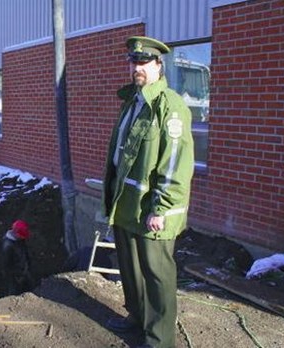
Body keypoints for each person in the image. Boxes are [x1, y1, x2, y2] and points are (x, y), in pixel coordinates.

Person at [102, 36, 194, 348]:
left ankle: (159, 339)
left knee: (157, 274)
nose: (136, 67)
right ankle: (137, 318)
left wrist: (162, 208)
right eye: (133, 61)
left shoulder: (169, 106)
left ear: (158, 65)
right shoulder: (133, 101)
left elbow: (175, 164)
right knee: (131, 268)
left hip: (151, 209)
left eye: (143, 62)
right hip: (126, 204)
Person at [1, 220, 34, 295]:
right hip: (15, 276)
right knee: (15, 293)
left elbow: (24, 252)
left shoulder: (19, 240)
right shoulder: (7, 246)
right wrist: (17, 276)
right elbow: (6, 264)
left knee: (31, 289)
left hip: (24, 270)